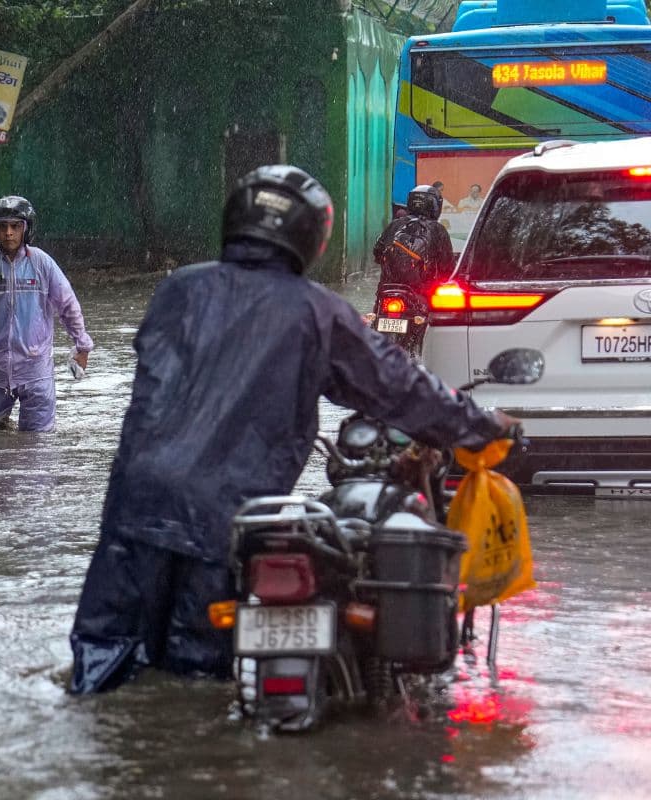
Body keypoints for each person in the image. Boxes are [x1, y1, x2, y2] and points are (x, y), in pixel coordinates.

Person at [67, 165, 519, 695]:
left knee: (99, 673)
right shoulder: (316, 311)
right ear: (310, 236)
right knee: (197, 684)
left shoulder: (178, 290)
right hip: (225, 521)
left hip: (132, 509)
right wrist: (481, 426)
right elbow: (399, 386)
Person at [0, 195, 93, 432]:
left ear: (26, 229)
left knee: (37, 443)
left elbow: (67, 305)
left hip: (35, 370)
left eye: (15, 226)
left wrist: (82, 346)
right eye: (2, 227)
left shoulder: (42, 264)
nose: (8, 233)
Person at [372, 184, 456, 293]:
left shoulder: (395, 224)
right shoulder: (438, 229)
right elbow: (446, 264)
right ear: (435, 205)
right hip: (422, 290)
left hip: (389, 288)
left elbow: (377, 252)